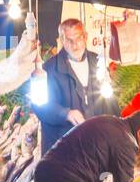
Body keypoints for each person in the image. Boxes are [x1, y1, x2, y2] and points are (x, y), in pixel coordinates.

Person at [37, 17, 107, 153]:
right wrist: (66, 113)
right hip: (63, 150)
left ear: (85, 37)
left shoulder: (98, 63)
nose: (75, 45)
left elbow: (110, 103)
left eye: (78, 38)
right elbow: (39, 106)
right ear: (62, 40)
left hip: (94, 146)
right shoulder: (48, 69)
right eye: (69, 40)